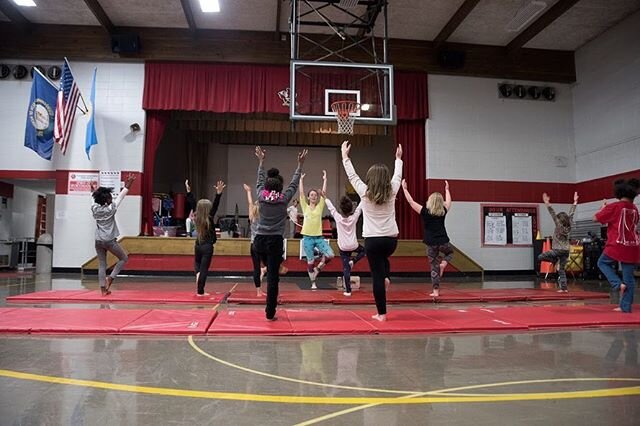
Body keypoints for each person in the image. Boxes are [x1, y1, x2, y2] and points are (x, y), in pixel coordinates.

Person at [341, 140, 403, 321]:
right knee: (384, 258)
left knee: (376, 275)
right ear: (386, 178)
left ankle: (381, 314)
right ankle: (386, 276)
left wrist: (345, 156)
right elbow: (398, 176)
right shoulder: (392, 190)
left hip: (373, 240)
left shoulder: (364, 192)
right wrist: (398, 159)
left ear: (370, 178)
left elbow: (352, 176)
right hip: (391, 240)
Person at [254, 146, 307, 320]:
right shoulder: (283, 199)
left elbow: (259, 181)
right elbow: (293, 184)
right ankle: (270, 313)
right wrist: (300, 165)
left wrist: (261, 162)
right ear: (280, 187)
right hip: (275, 241)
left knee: (267, 265)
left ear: (267, 187)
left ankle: (264, 266)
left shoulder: (261, 196)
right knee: (273, 280)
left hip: (259, 241)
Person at [594, 178, 640, 313]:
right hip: (633, 245)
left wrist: (602, 208)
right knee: (629, 277)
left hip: (617, 243)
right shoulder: (635, 209)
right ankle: (625, 307)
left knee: (602, 263)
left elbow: (595, 218)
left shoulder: (614, 206)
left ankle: (616, 283)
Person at [401, 179, 453, 297]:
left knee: (434, 267)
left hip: (431, 242)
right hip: (443, 240)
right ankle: (444, 263)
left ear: (430, 201)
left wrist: (404, 189)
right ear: (441, 203)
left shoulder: (425, 212)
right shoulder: (443, 211)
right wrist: (447, 190)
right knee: (450, 253)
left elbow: (411, 202)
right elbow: (449, 202)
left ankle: (435, 291)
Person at [91, 174, 136, 296]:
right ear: (106, 201)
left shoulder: (94, 208)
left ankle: (102, 289)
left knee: (102, 264)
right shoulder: (111, 208)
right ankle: (110, 278)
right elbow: (122, 195)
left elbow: (93, 198)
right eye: (110, 197)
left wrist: (93, 189)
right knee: (124, 258)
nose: (112, 198)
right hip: (109, 241)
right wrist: (129, 182)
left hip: (98, 240)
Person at [299, 170, 334, 289]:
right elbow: (301, 193)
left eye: (315, 195)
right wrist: (301, 180)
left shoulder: (320, 206)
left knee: (330, 255)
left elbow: (324, 194)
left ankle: (318, 268)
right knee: (310, 261)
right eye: (312, 195)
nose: (314, 196)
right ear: (308, 197)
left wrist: (325, 179)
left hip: (319, 237)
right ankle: (313, 282)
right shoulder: (305, 207)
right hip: (307, 238)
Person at [539, 191, 578, 292]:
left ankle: (554, 261)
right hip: (566, 250)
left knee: (541, 257)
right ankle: (564, 288)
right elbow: (571, 213)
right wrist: (575, 202)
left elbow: (552, 212)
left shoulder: (558, 224)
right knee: (561, 270)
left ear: (559, 220)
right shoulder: (569, 225)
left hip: (557, 250)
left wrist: (547, 203)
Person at [325, 195, 364, 296]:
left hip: (343, 247)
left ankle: (348, 291)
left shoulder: (338, 218)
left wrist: (325, 197)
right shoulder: (354, 217)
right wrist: (365, 197)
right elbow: (360, 207)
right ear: (351, 209)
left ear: (341, 210)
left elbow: (331, 208)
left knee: (346, 269)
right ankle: (354, 260)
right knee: (364, 250)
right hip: (353, 245)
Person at [193, 180, 226, 296]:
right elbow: (216, 205)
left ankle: (197, 274)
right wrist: (218, 194)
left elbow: (192, 203)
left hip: (197, 244)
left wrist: (188, 192)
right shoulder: (209, 218)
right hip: (207, 246)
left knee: (198, 265)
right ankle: (200, 291)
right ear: (208, 209)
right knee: (204, 269)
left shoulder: (197, 218)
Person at [244, 183, 266, 297]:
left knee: (256, 267)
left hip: (253, 245)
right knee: (271, 264)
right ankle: (264, 270)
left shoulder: (252, 216)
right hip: (262, 244)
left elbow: (250, 203)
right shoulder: (264, 217)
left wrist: (248, 192)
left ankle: (258, 291)